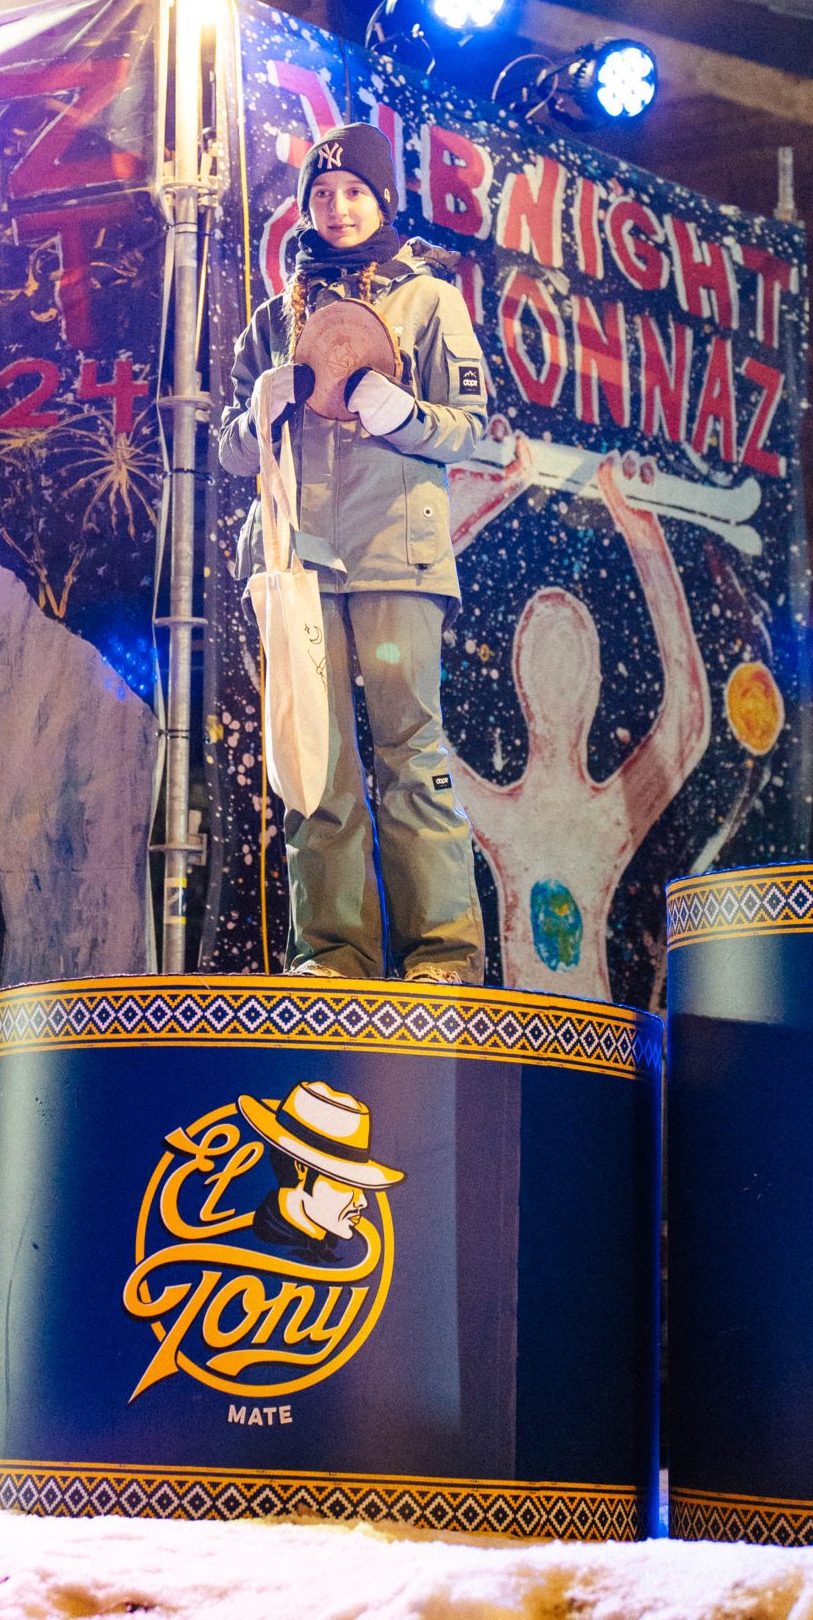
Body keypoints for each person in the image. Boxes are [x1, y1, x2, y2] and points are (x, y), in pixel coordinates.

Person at [216, 122, 491, 985]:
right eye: (323, 195)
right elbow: (229, 450)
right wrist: (260, 411)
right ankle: (332, 958)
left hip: (395, 554)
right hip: (298, 564)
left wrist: (402, 416)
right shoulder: (274, 318)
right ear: (306, 207)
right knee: (316, 764)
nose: (338, 209)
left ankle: (443, 956)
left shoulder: (430, 300)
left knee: (411, 754)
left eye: (355, 193)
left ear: (384, 200)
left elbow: (472, 429)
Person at [238, 1080, 403, 1265]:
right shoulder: (245, 1245)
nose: (362, 1202)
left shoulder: (348, 1253)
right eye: (345, 1183)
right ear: (301, 1169)